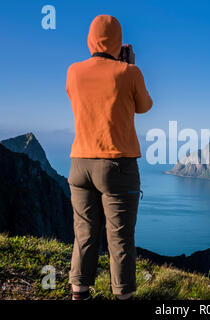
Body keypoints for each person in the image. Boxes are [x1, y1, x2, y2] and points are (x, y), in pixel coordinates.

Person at [66, 15, 153, 300]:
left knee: (85, 233)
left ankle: (79, 292)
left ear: (90, 39)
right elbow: (145, 106)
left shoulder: (73, 72)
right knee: (120, 238)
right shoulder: (129, 73)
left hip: (80, 163)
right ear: (119, 42)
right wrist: (129, 65)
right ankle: (123, 296)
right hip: (117, 165)